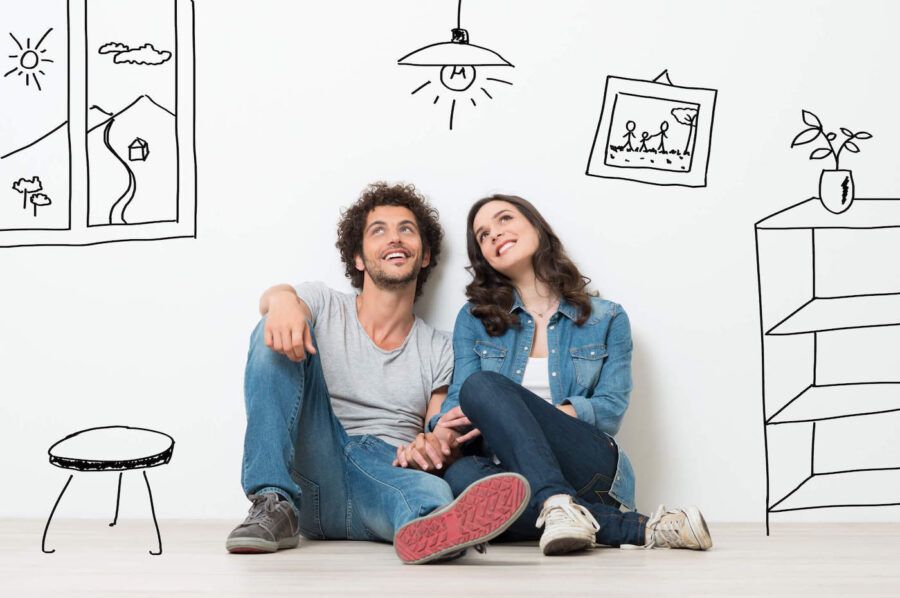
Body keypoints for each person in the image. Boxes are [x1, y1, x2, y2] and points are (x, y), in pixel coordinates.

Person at [226, 183, 529, 564]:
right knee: (275, 331)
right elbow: (278, 303)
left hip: (386, 480)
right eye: (378, 230)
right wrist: (282, 299)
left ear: (424, 257)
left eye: (406, 229)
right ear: (358, 257)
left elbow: (437, 428)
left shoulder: (440, 347)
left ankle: (434, 526)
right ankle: (271, 501)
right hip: (313, 469)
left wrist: (435, 445)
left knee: (427, 494)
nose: (394, 238)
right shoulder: (323, 303)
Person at [394, 193, 712, 556]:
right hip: (508, 473)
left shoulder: (607, 318)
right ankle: (634, 526)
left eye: (504, 219)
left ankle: (558, 499)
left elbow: (609, 410)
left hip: (588, 465)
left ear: (537, 227)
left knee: (484, 386)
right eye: (482, 235)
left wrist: (522, 415)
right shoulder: (474, 320)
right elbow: (458, 405)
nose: (494, 234)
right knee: (463, 478)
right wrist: (440, 430)